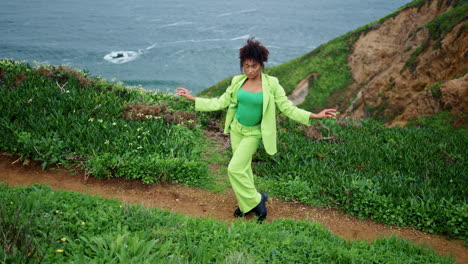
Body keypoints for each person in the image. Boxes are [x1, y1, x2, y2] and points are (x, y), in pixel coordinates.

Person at [176, 38, 336, 222]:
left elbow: (288, 108)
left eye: (254, 66)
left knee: (234, 169)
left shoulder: (272, 84)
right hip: (237, 130)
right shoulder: (237, 81)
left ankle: (257, 200)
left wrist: (314, 116)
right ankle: (246, 205)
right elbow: (221, 102)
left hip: (254, 133)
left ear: (261, 65)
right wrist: (193, 98)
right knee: (243, 169)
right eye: (246, 66)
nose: (250, 70)